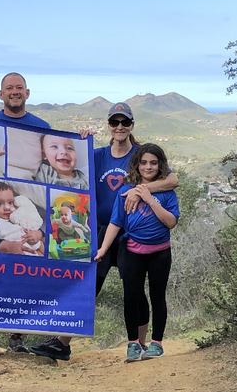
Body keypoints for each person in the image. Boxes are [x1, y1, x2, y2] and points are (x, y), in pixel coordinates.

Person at [26, 102, 178, 362]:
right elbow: (72, 167)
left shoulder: (142, 154)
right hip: (99, 230)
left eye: (125, 122)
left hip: (131, 232)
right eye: (115, 122)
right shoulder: (97, 155)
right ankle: (62, 342)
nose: (120, 127)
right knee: (88, 283)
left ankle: (140, 345)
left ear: (131, 125)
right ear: (108, 125)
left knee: (136, 290)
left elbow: (172, 180)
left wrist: (139, 191)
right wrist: (81, 142)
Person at [0, 73, 51, 353]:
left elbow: (52, 157)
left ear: (28, 93)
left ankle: (17, 337)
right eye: (10, 88)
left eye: (19, 88)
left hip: (27, 193)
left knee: (24, 282)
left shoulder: (43, 127)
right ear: (0, 93)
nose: (14, 92)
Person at [95, 143, 179, 362]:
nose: (148, 167)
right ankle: (133, 344)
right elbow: (115, 222)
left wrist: (149, 199)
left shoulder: (167, 193)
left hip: (160, 253)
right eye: (143, 163)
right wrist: (103, 248)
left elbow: (171, 222)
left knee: (157, 296)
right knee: (131, 297)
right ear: (137, 165)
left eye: (153, 163)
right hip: (132, 251)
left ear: (160, 165)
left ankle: (157, 344)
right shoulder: (125, 191)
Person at [0, 182, 44, 256]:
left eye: (10, 202)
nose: (7, 208)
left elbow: (35, 226)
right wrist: (7, 246)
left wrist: (38, 234)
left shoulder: (20, 215)